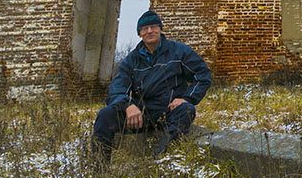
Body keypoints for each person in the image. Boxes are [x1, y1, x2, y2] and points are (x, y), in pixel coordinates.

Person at [91, 10, 212, 167]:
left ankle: (158, 162)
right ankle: (99, 169)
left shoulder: (179, 52)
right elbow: (117, 88)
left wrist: (186, 98)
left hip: (169, 110)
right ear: (140, 34)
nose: (149, 31)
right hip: (140, 114)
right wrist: (128, 105)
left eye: (153, 26)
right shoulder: (131, 60)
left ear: (160, 29)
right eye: (144, 28)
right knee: (105, 115)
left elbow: (202, 75)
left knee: (186, 110)